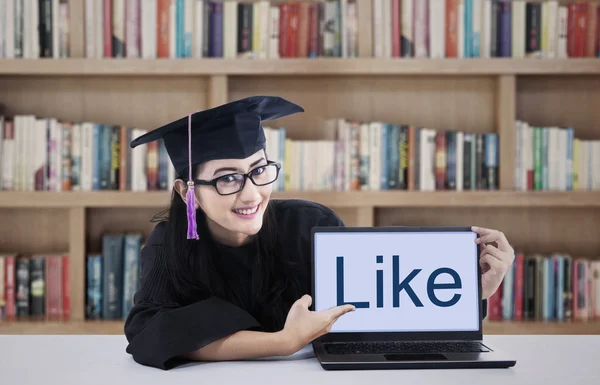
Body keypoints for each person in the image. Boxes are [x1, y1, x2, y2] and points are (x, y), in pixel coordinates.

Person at [123, 96, 515, 370]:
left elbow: (377, 319)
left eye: (259, 170)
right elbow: (147, 334)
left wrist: (468, 293)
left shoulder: (309, 227)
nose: (252, 193)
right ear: (186, 191)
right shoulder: (170, 243)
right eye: (227, 178)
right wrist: (283, 341)